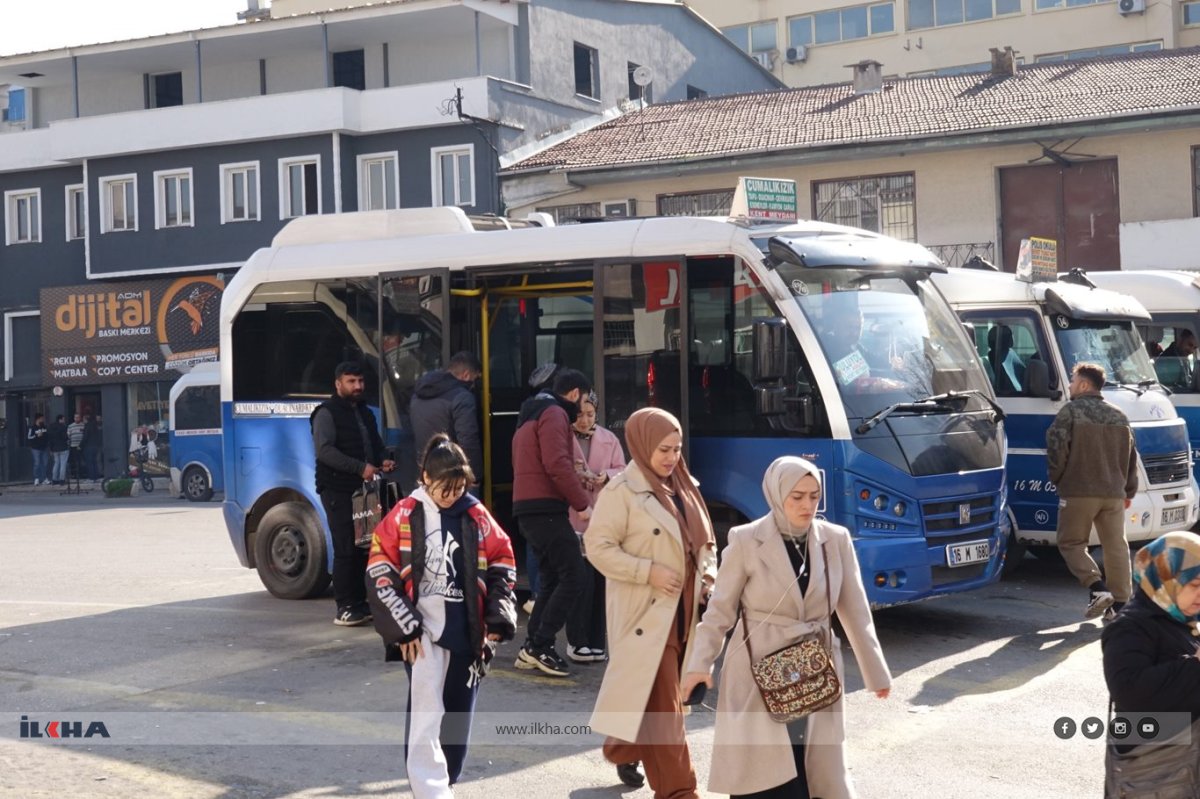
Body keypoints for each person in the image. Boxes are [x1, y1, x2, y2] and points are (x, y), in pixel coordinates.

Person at [680, 456, 891, 799]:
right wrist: (698, 665)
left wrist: (875, 673)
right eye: (797, 496)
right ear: (777, 495)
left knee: (812, 772)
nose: (807, 505)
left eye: (814, 496)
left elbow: (855, 609)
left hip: (814, 670)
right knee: (767, 779)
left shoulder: (834, 540)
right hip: (758, 670)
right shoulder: (747, 539)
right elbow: (719, 612)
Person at [366, 434, 517, 799]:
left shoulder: (476, 514)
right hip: (419, 634)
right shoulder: (403, 513)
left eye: (459, 488)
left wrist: (498, 616)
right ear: (425, 479)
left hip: (467, 632)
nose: (452, 496)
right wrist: (403, 628)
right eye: (444, 489)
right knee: (425, 715)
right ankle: (429, 791)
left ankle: (446, 783)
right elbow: (379, 569)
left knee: (458, 716)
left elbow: (502, 560)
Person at [585, 407, 718, 795]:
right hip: (647, 616)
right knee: (665, 711)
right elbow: (597, 547)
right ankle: (679, 791)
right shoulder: (620, 492)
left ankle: (623, 747)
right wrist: (648, 571)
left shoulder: (686, 486)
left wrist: (710, 578)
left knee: (655, 698)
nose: (671, 457)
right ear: (641, 445)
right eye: (663, 449)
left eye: (676, 448)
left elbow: (706, 545)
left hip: (687, 612)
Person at [510, 368, 595, 677]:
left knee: (551, 579)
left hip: (528, 506)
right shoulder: (555, 413)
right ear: (574, 394)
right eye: (583, 399)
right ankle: (540, 645)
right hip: (546, 508)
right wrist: (582, 504)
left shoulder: (531, 412)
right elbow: (556, 463)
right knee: (574, 576)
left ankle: (532, 645)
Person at [1101, 531, 1200, 795]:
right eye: (1194, 584)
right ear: (1166, 579)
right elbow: (1130, 693)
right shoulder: (1130, 628)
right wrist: (1195, 665)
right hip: (1154, 772)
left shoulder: (1181, 622)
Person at [1048, 362, 1139, 621]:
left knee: (1070, 542)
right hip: (1114, 493)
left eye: (1072, 380)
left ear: (1085, 384)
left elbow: (1056, 450)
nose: (1069, 384)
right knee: (1116, 546)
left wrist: (1058, 479)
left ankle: (1096, 588)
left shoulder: (1070, 412)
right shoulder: (1119, 415)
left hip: (1078, 490)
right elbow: (1132, 457)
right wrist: (1128, 491)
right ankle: (1120, 605)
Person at [310, 361, 396, 627]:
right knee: (346, 547)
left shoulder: (365, 412)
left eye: (360, 381)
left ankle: (360, 603)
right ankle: (345, 606)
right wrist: (361, 468)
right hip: (337, 489)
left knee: (364, 547)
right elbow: (325, 451)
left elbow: (375, 444)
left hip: (364, 492)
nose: (357, 386)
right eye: (351, 381)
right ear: (338, 384)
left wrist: (383, 459)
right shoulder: (326, 413)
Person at [565, 391, 626, 663]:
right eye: (579, 415)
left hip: (602, 517)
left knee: (602, 581)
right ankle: (576, 641)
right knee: (580, 580)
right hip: (574, 516)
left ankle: (597, 641)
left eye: (590, 414)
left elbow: (622, 470)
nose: (584, 420)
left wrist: (606, 476)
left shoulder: (609, 438)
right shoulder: (564, 437)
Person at [409, 351, 484, 488]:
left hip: (426, 475)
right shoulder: (462, 397)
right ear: (466, 375)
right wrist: (474, 475)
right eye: (475, 380)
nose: (474, 386)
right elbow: (468, 440)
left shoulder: (417, 395)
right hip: (454, 477)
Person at [26, 413, 48, 485]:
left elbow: (46, 435)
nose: (43, 419)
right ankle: (37, 478)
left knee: (44, 463)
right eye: (42, 418)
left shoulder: (44, 427)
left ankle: (44, 478)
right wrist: (36, 435)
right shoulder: (32, 428)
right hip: (35, 448)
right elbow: (29, 437)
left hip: (44, 447)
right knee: (37, 463)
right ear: (38, 419)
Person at [47, 414, 69, 486]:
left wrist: (50, 449)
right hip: (63, 447)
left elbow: (49, 438)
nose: (64, 420)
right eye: (63, 419)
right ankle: (62, 480)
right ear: (60, 419)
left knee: (56, 464)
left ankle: (54, 479)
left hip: (54, 448)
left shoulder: (51, 427)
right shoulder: (63, 427)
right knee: (63, 464)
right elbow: (65, 437)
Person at [67, 413, 86, 482]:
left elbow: (85, 435)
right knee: (76, 461)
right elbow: (68, 436)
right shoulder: (70, 426)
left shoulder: (83, 425)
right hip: (73, 446)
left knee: (83, 460)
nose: (77, 419)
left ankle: (83, 474)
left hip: (82, 446)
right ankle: (76, 475)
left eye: (78, 417)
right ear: (74, 418)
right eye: (76, 417)